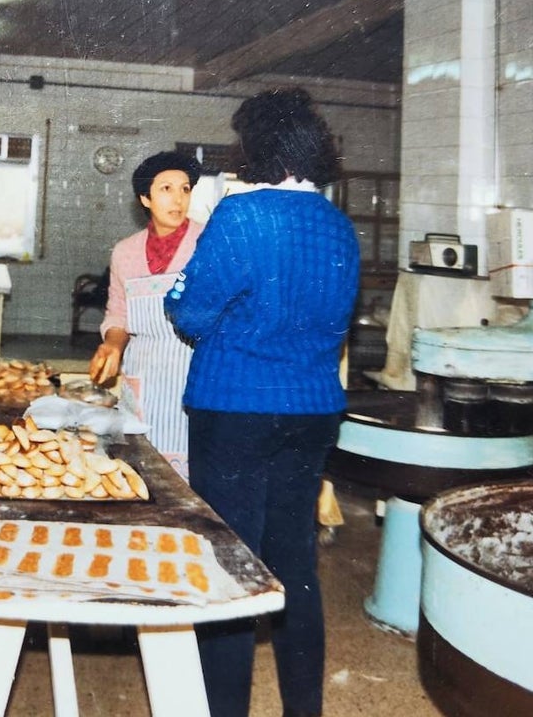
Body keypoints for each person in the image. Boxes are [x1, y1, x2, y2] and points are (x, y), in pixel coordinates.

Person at [164, 88, 360, 717]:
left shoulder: (243, 216)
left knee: (231, 564)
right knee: (294, 563)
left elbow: (191, 312)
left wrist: (183, 296)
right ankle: (304, 710)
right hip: (313, 409)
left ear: (256, 147)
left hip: (236, 407)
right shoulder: (338, 224)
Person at [88, 150, 204, 479]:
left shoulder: (208, 243)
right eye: (166, 188)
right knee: (140, 474)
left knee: (190, 477)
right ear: (145, 198)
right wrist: (112, 346)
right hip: (144, 376)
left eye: (185, 189)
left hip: (193, 373)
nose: (178, 198)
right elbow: (118, 314)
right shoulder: (125, 252)